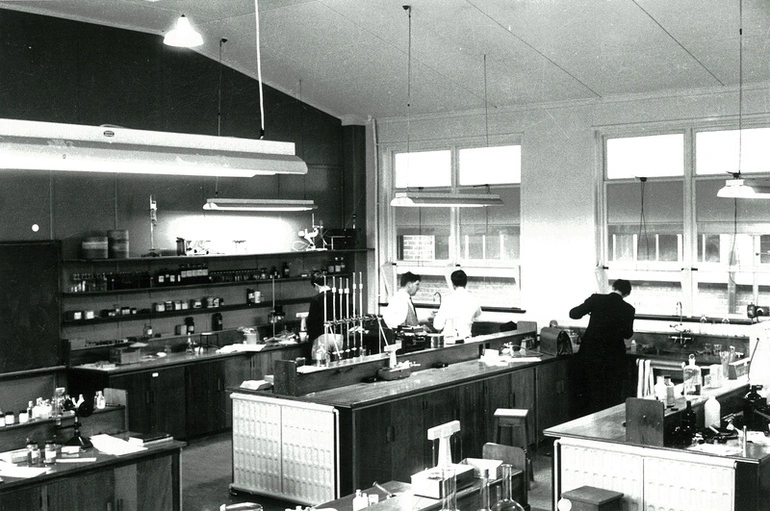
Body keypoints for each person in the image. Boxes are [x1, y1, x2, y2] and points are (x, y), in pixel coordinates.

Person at [569, 279, 635, 415]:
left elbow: (573, 314)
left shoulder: (596, 299)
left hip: (591, 354)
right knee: (611, 395)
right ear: (627, 293)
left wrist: (590, 309)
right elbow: (627, 334)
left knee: (591, 392)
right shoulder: (628, 309)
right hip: (613, 356)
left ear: (613, 287)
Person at [432, 269, 481, 340]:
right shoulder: (474, 299)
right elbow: (478, 314)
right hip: (466, 340)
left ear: (453, 284)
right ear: (466, 283)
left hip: (449, 340)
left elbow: (438, 325)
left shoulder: (448, 300)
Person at [306, 271, 341, 362]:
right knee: (338, 366)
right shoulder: (339, 296)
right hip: (339, 336)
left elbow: (311, 321)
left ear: (316, 285)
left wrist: (310, 337)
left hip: (323, 337)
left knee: (320, 366)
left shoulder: (316, 299)